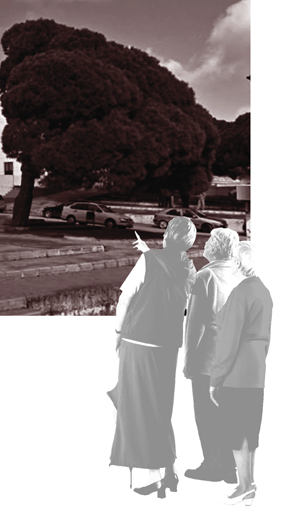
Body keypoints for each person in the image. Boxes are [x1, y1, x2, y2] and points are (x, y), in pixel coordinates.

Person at [108, 217, 198, 498]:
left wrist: (117, 331)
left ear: (167, 235)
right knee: (159, 406)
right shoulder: (189, 267)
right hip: (168, 345)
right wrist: (149, 253)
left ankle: (149, 478)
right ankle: (169, 469)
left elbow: (125, 298)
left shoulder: (149, 260)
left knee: (135, 404)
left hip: (138, 340)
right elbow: (174, 283)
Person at [209, 242, 271, 506]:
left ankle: (244, 486)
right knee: (250, 430)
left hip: (236, 371)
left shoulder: (240, 293)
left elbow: (228, 343)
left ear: (239, 263)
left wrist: (215, 379)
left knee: (236, 432)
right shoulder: (263, 291)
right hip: (256, 370)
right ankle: (250, 485)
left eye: (233, 259)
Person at [183, 228, 245, 483]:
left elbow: (194, 325)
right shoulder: (240, 276)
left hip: (209, 358)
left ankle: (212, 467)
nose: (206, 243)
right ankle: (230, 468)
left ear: (216, 247)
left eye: (209, 240)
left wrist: (188, 361)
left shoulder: (205, 277)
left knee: (206, 416)